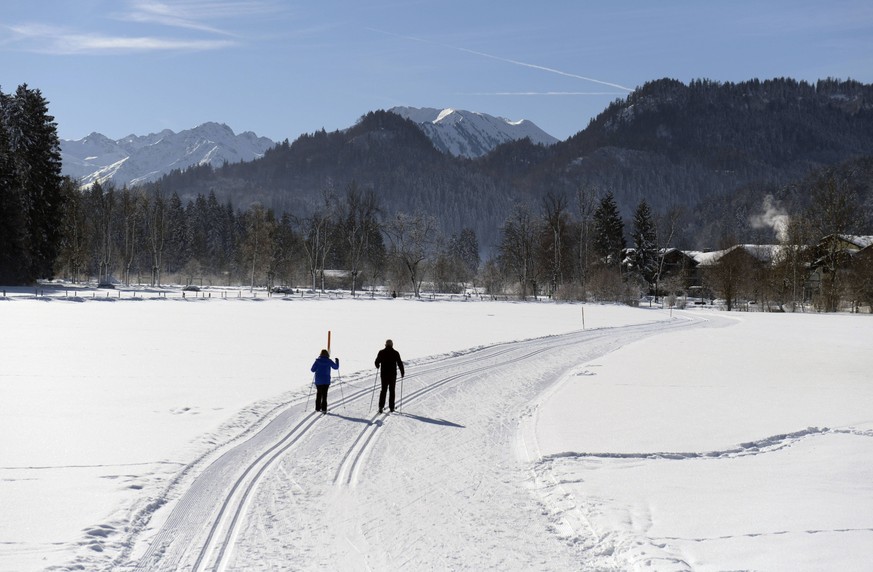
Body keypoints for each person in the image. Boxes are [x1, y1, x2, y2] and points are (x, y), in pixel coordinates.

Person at [374, 339, 404, 413]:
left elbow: (376, 362)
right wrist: (402, 372)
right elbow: (400, 363)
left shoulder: (381, 352)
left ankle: (381, 407)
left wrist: (378, 365)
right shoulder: (395, 353)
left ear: (385, 345)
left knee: (383, 390)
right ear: (392, 345)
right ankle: (391, 408)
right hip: (392, 375)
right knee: (392, 390)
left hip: (384, 374)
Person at [310, 349, 339, 414]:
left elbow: (312, 370)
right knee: (324, 395)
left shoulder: (317, 361)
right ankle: (324, 408)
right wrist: (337, 361)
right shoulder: (329, 361)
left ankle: (317, 408)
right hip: (326, 381)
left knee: (319, 394)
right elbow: (336, 367)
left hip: (318, 381)